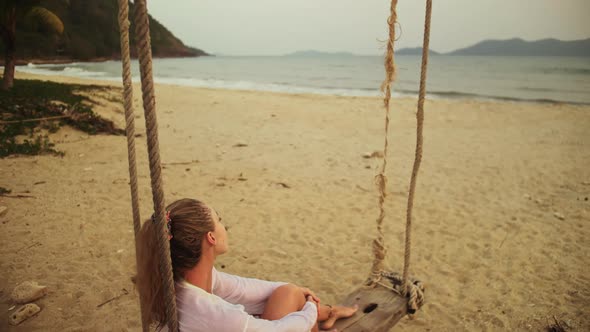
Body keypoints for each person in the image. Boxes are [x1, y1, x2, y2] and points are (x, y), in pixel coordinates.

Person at [136, 198, 358, 332]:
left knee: (289, 292)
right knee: (298, 311)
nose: (224, 226)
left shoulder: (182, 282)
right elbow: (277, 330)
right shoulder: (215, 313)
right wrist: (310, 307)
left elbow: (245, 288)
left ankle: (329, 313)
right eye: (219, 220)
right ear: (211, 237)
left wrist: (311, 301)